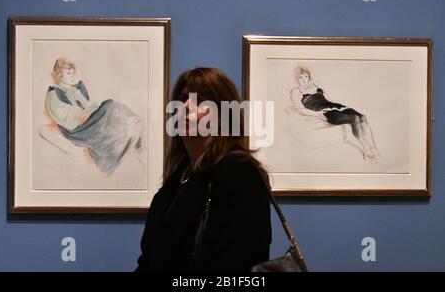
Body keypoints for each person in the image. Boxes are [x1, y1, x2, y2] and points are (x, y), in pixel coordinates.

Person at [136, 67, 271, 272]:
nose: (186, 107)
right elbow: (151, 257)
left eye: (200, 100)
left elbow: (235, 264)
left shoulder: (239, 172)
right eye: (182, 99)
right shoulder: (180, 176)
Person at [43, 57, 144, 175]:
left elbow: (88, 106)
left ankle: (133, 130)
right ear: (59, 74)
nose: (72, 76)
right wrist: (83, 115)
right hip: (76, 129)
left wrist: (90, 112)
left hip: (87, 120)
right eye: (68, 73)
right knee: (109, 105)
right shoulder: (53, 95)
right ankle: (133, 126)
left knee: (108, 106)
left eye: (73, 72)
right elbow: (63, 118)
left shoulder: (75, 89)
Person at [289, 67, 379, 162]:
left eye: (306, 76)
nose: (304, 79)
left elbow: (328, 99)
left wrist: (342, 107)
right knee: (354, 118)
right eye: (301, 77)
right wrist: (316, 114)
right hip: (323, 111)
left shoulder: (317, 84)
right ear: (296, 78)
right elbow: (301, 109)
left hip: (333, 106)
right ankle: (367, 149)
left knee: (362, 117)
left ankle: (373, 147)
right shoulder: (295, 91)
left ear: (309, 77)